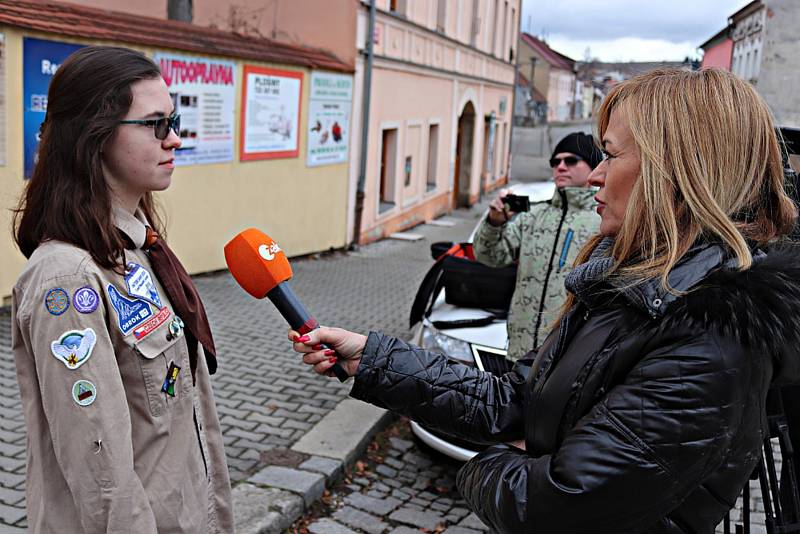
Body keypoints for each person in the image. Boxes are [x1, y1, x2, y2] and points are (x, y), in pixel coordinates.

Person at [290, 68, 800, 533]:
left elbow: (558, 504)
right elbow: (516, 395)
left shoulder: (711, 335)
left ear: (680, 171)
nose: (595, 175)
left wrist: (486, 465)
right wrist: (373, 359)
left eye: (612, 154)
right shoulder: (632, 290)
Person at [11, 46, 233, 533]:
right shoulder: (67, 282)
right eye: (155, 124)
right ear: (96, 134)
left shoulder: (134, 248)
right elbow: (102, 478)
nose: (174, 139)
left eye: (173, 120)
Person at [473, 132, 602, 361]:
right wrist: (495, 222)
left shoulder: (603, 220)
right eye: (555, 162)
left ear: (593, 166)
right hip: (519, 351)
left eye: (571, 160)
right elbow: (489, 256)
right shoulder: (533, 214)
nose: (560, 167)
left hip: (566, 358)